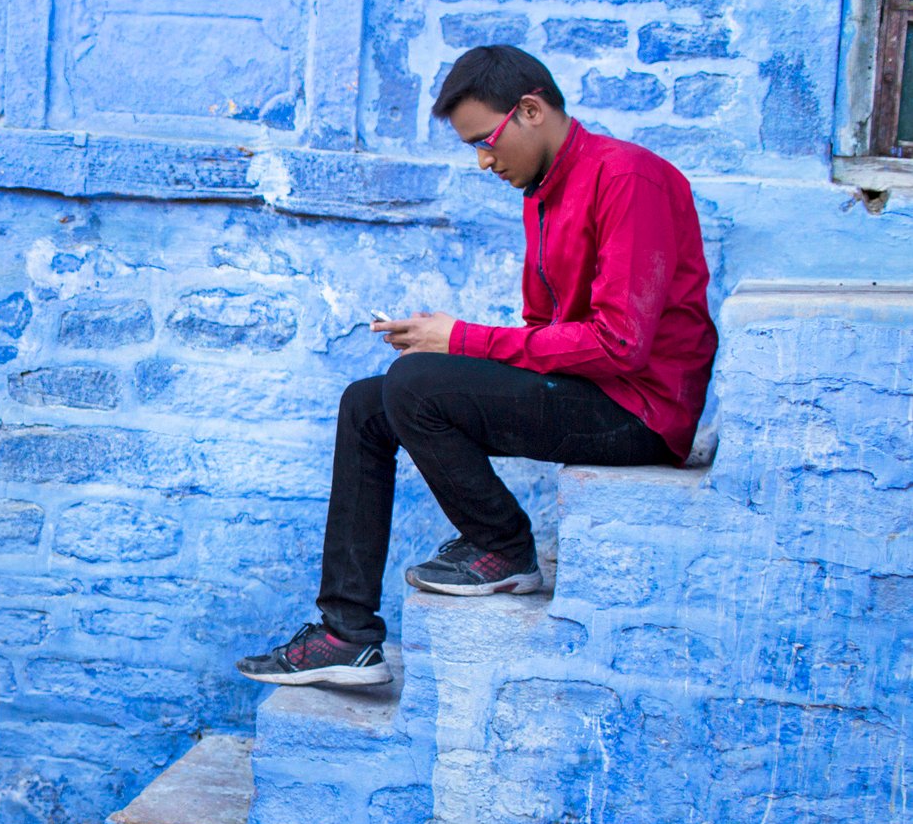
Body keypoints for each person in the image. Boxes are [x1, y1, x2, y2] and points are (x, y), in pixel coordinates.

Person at [237, 44, 718, 687]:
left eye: (486, 141)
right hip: (588, 391)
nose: (485, 160)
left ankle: (504, 548)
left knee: (415, 383)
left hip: (641, 413)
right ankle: (346, 633)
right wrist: (447, 350)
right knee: (367, 402)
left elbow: (620, 343)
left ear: (530, 110)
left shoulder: (629, 178)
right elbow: (548, 333)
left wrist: (459, 341)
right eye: (473, 148)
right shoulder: (543, 190)